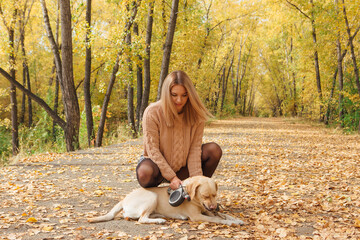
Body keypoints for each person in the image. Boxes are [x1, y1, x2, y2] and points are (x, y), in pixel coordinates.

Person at [136, 70, 222, 190]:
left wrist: (197, 182)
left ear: (190, 94)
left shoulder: (196, 115)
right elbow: (152, 150)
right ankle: (156, 196)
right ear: (167, 93)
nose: (179, 100)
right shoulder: (152, 112)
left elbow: (195, 150)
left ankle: (191, 192)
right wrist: (172, 177)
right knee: (144, 173)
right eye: (174, 95)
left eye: (184, 95)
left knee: (214, 150)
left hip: (182, 168)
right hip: (157, 168)